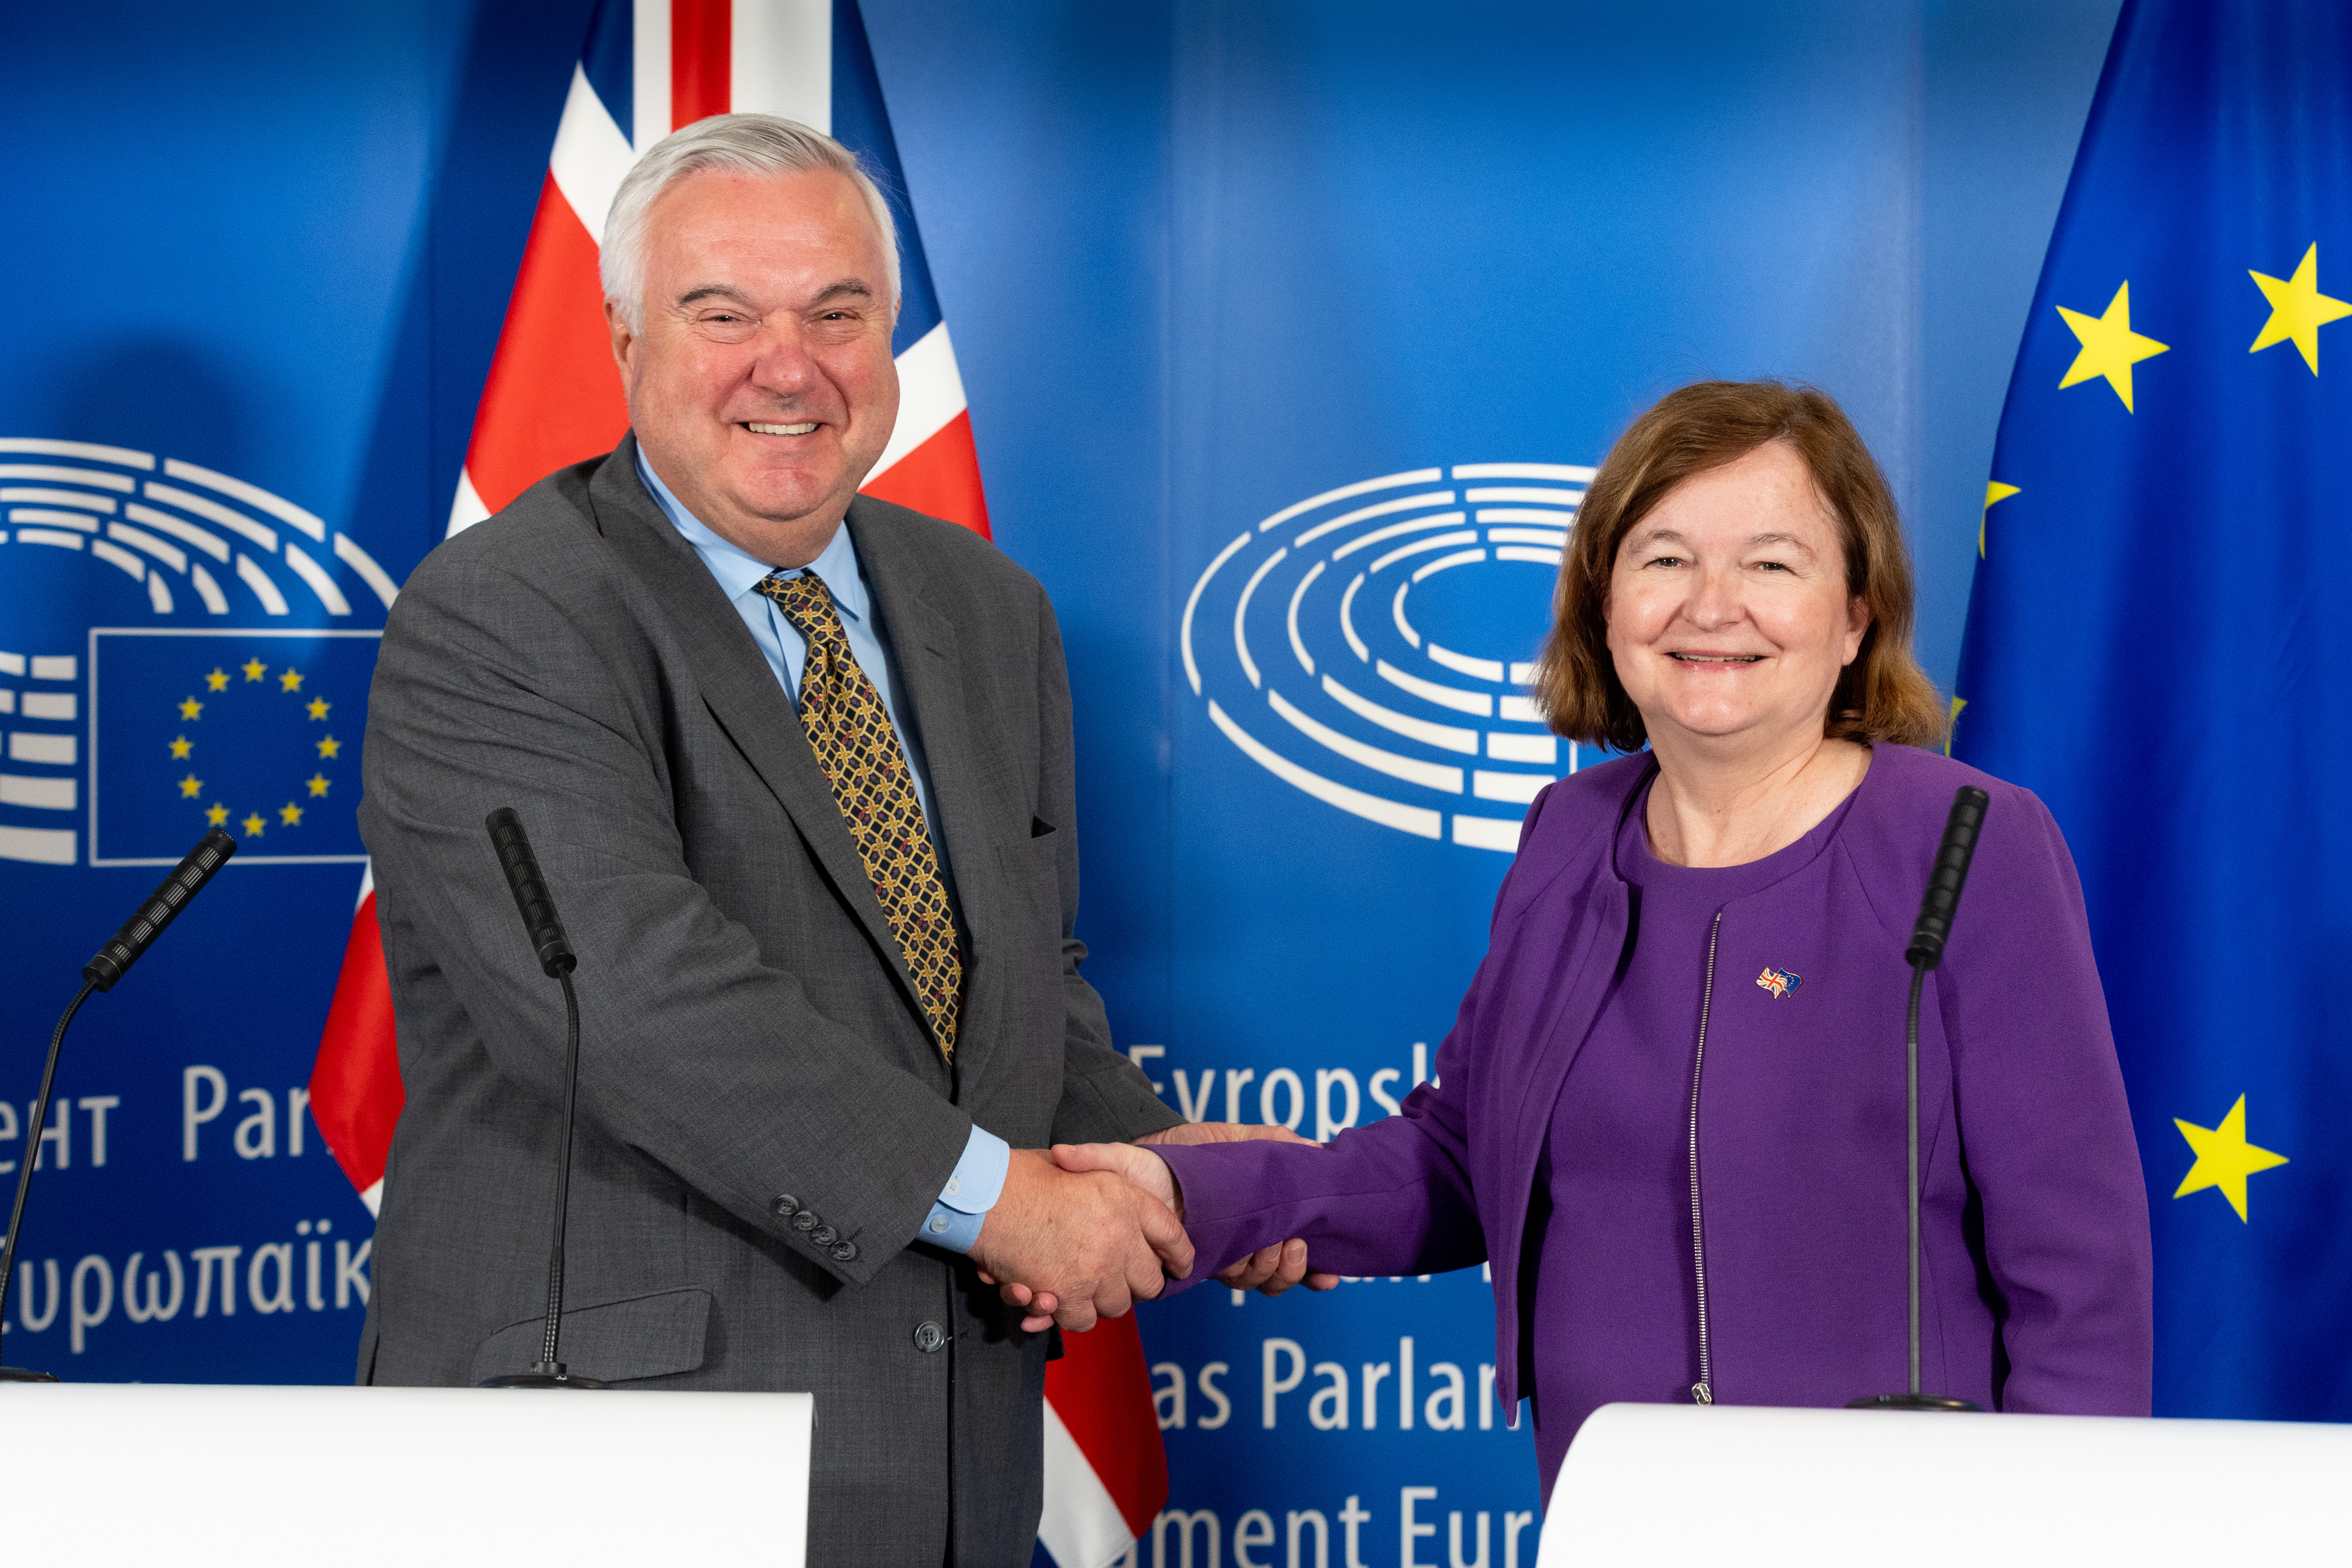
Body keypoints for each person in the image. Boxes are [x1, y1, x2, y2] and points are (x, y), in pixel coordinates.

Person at [356, 114, 1308, 1562]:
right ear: (624, 339)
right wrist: (1010, 1205)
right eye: (722, 312)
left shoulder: (988, 609)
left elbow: (1011, 989)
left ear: (889, 347)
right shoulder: (505, 614)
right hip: (620, 1447)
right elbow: (636, 1003)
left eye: (837, 313)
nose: (785, 365)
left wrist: (1163, 1163)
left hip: (941, 1449)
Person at [1044, 379, 2154, 1500]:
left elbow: (2080, 1275)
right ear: (1604, 602)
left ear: (1856, 613)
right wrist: (1200, 1191)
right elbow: (1456, 1162)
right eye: (1664, 557)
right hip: (1610, 1511)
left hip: (1908, 1526)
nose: (1711, 605)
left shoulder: (1968, 846)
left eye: (1772, 563)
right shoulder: (1568, 836)